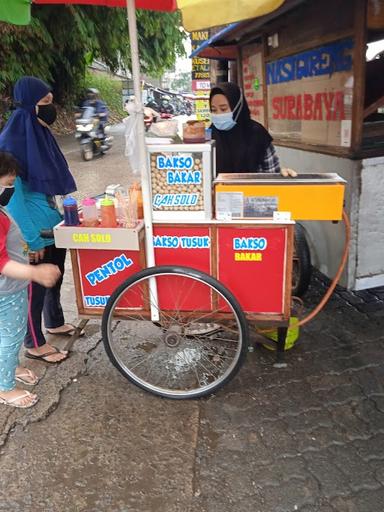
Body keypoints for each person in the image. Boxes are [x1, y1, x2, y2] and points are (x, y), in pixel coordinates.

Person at [0, 76, 80, 364]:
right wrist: (31, 240)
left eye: (51, 102)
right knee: (34, 288)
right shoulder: (11, 143)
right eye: (44, 103)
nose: (51, 108)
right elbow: (14, 201)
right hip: (32, 233)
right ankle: (33, 342)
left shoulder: (40, 135)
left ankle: (55, 321)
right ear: (29, 105)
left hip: (52, 226)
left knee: (54, 280)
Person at [0, 152, 61, 408]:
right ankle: (4, 388)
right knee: (11, 337)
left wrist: (26, 246)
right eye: (7, 183)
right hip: (8, 291)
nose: (10, 190)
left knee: (7, 335)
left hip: (9, 289)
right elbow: (1, 261)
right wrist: (35, 273)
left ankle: (10, 369)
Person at [209, 82, 296, 176]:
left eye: (223, 109)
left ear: (237, 107)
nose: (218, 114)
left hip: (255, 190)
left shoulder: (257, 134)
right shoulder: (209, 136)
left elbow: (271, 174)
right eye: (213, 110)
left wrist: (282, 175)